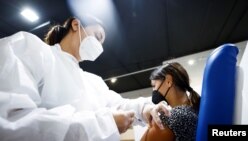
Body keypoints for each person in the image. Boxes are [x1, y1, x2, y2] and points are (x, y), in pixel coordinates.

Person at [0, 17, 158, 141]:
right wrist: (102, 125)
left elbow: (120, 105)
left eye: (102, 44)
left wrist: (145, 108)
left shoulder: (93, 81)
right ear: (76, 25)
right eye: (98, 36)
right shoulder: (33, 50)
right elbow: (12, 122)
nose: (99, 47)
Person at [140, 62, 201, 141]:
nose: (154, 91)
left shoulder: (169, 117)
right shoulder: (196, 110)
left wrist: (152, 123)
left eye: (154, 85)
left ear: (168, 81)